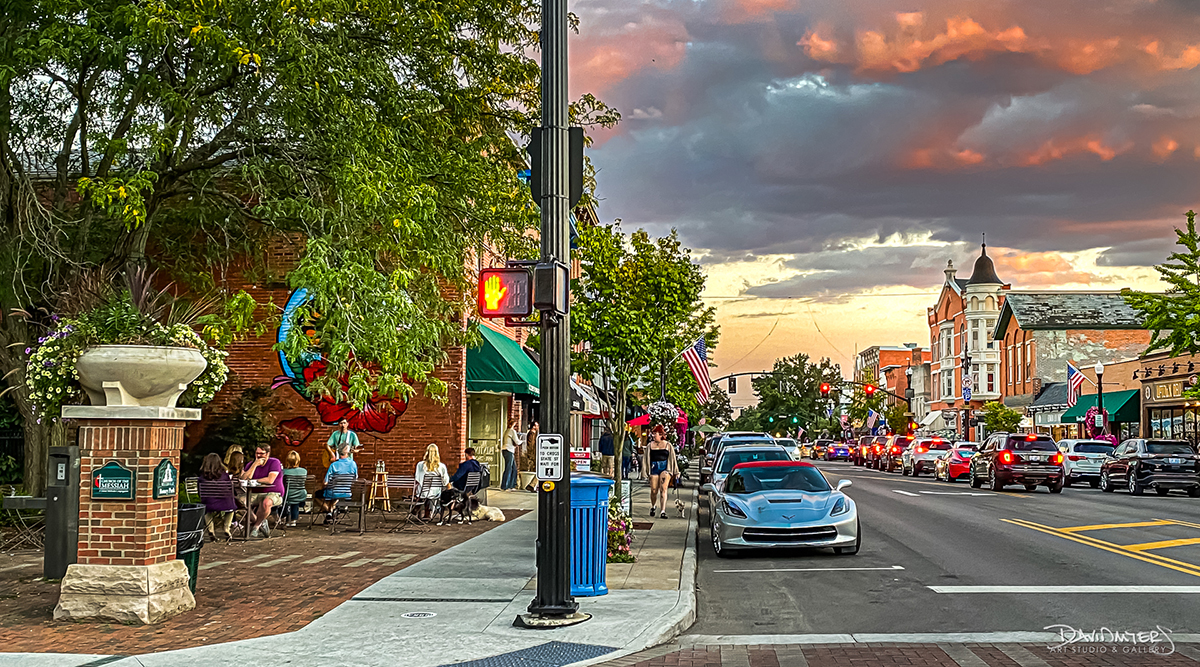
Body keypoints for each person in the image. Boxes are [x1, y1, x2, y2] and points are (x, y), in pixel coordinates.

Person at [239, 443, 284, 538]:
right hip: (254, 493)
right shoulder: (251, 464)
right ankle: (261, 521)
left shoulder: (274, 462)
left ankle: (256, 527)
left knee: (266, 503)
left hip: (273, 492)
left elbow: (270, 480)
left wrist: (254, 481)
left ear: (267, 454)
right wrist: (255, 465)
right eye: (257, 453)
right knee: (240, 502)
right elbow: (244, 478)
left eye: (262, 453)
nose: (259, 455)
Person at [641, 425, 679, 519]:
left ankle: (663, 511)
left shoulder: (668, 445)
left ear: (661, 434)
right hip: (654, 468)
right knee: (654, 490)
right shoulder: (650, 445)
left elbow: (673, 459)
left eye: (655, 434)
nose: (653, 436)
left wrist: (676, 471)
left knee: (663, 489)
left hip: (665, 468)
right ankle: (653, 506)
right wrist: (645, 471)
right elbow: (645, 459)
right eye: (653, 433)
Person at [316, 444, 358, 524]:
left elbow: (325, 482)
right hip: (346, 492)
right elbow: (355, 479)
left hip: (333, 492)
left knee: (318, 495)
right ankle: (331, 511)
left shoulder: (333, 465)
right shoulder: (353, 464)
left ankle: (329, 510)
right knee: (334, 494)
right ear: (348, 452)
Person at [198, 453, 236, 541]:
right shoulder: (224, 475)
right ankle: (226, 528)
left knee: (206, 510)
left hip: (209, 503)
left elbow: (200, 493)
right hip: (226, 504)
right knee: (232, 509)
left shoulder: (202, 477)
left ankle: (211, 530)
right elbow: (230, 489)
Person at [415, 443, 450, 520]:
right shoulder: (441, 466)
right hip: (435, 492)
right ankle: (428, 513)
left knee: (422, 492)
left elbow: (417, 479)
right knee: (431, 494)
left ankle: (417, 508)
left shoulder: (420, 465)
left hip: (422, 492)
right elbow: (445, 481)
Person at [282, 450, 308, 527]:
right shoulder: (304, 471)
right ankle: (294, 520)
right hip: (301, 494)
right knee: (295, 501)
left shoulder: (284, 472)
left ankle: (283, 517)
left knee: (286, 497)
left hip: (288, 495)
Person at [501, 424, 520, 490]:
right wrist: (522, 441)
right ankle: (506, 486)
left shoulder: (506, 431)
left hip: (505, 450)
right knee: (509, 468)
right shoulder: (512, 431)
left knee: (513, 468)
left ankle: (511, 485)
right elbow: (517, 441)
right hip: (509, 450)